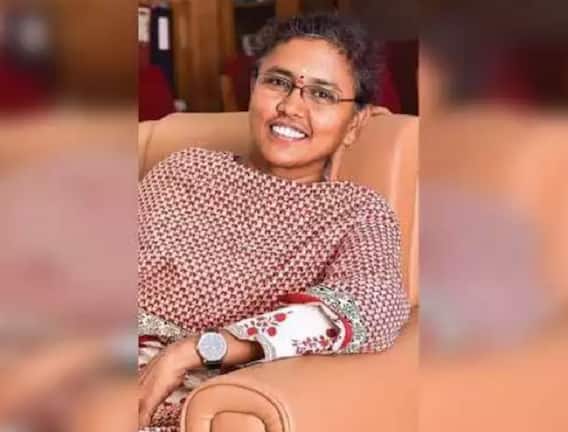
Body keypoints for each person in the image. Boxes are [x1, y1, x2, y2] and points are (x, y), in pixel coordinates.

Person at [138, 13, 411, 431]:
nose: (290, 106)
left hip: (194, 407)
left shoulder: (354, 211)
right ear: (253, 89)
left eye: (321, 94)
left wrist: (198, 350)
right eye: (278, 82)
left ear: (354, 123)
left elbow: (374, 306)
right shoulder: (185, 170)